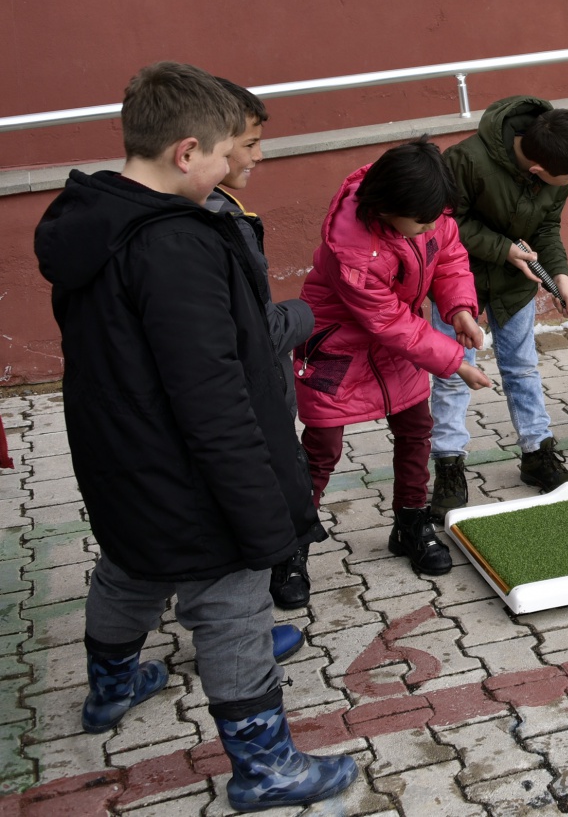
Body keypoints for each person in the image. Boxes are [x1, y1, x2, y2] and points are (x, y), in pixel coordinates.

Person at [34, 62, 355, 810]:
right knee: (234, 603)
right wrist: (262, 517)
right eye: (221, 156)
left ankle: (112, 687)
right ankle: (265, 766)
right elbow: (214, 397)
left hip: (119, 461)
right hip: (188, 473)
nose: (229, 170)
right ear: (185, 152)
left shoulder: (92, 216)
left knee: (131, 567)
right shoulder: (176, 246)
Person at [294, 137, 491, 576]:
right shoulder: (352, 249)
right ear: (385, 206)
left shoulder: (427, 211)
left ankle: (410, 523)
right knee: (322, 447)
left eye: (432, 221)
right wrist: (453, 361)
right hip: (336, 347)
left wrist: (459, 308)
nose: (428, 229)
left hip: (400, 342)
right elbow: (386, 321)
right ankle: (292, 544)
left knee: (416, 426)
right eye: (419, 223)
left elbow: (450, 259)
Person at [428, 97, 568, 516]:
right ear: (539, 170)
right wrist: (503, 249)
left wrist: (559, 276)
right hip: (458, 282)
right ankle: (449, 464)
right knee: (453, 374)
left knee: (522, 368)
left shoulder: (555, 163)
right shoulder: (464, 161)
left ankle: (537, 453)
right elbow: (445, 223)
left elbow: (545, 227)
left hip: (515, 285)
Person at [204, 79, 319, 609]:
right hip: (249, 393)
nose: (260, 155)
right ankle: (281, 559)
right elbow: (251, 329)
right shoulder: (218, 224)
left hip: (253, 387)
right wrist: (300, 315)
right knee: (273, 471)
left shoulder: (228, 211)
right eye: (249, 144)